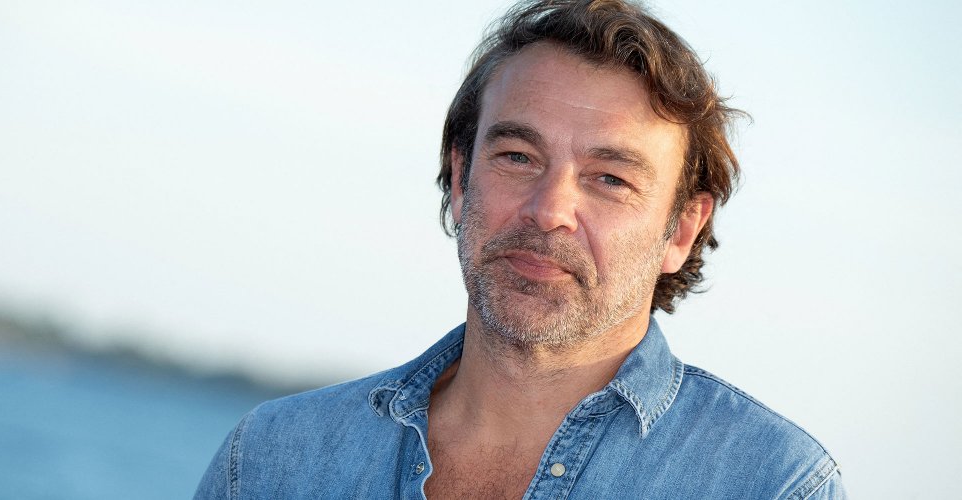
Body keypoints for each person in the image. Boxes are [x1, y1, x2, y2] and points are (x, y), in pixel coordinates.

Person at [195, 0, 845, 498]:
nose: (549, 210)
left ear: (681, 230)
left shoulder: (773, 485)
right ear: (460, 179)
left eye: (610, 179)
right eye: (517, 156)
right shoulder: (273, 461)